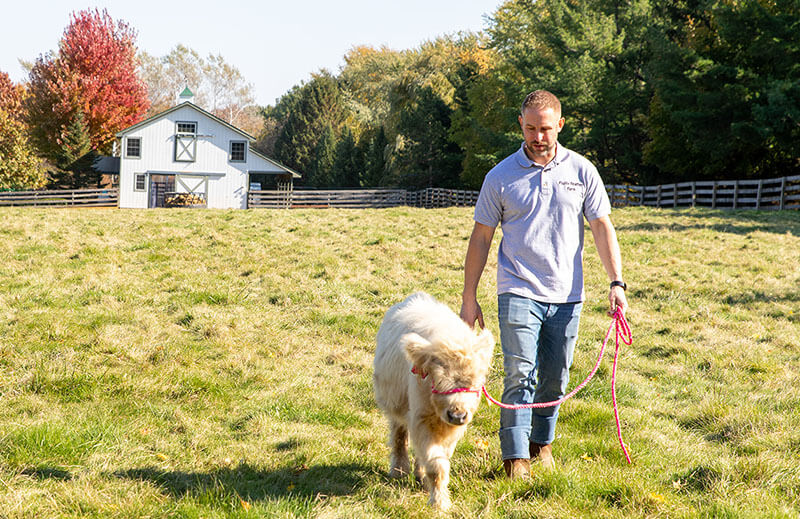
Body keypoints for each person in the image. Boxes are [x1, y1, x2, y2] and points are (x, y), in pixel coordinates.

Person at [459, 90, 628, 479]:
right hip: (517, 288)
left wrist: (616, 282)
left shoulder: (582, 171)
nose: (538, 137)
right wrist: (469, 298)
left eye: (546, 129)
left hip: (568, 294)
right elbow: (481, 237)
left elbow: (602, 226)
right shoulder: (499, 177)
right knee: (520, 373)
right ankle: (515, 458)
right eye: (531, 128)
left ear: (560, 126)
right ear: (521, 124)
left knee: (556, 378)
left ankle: (541, 444)